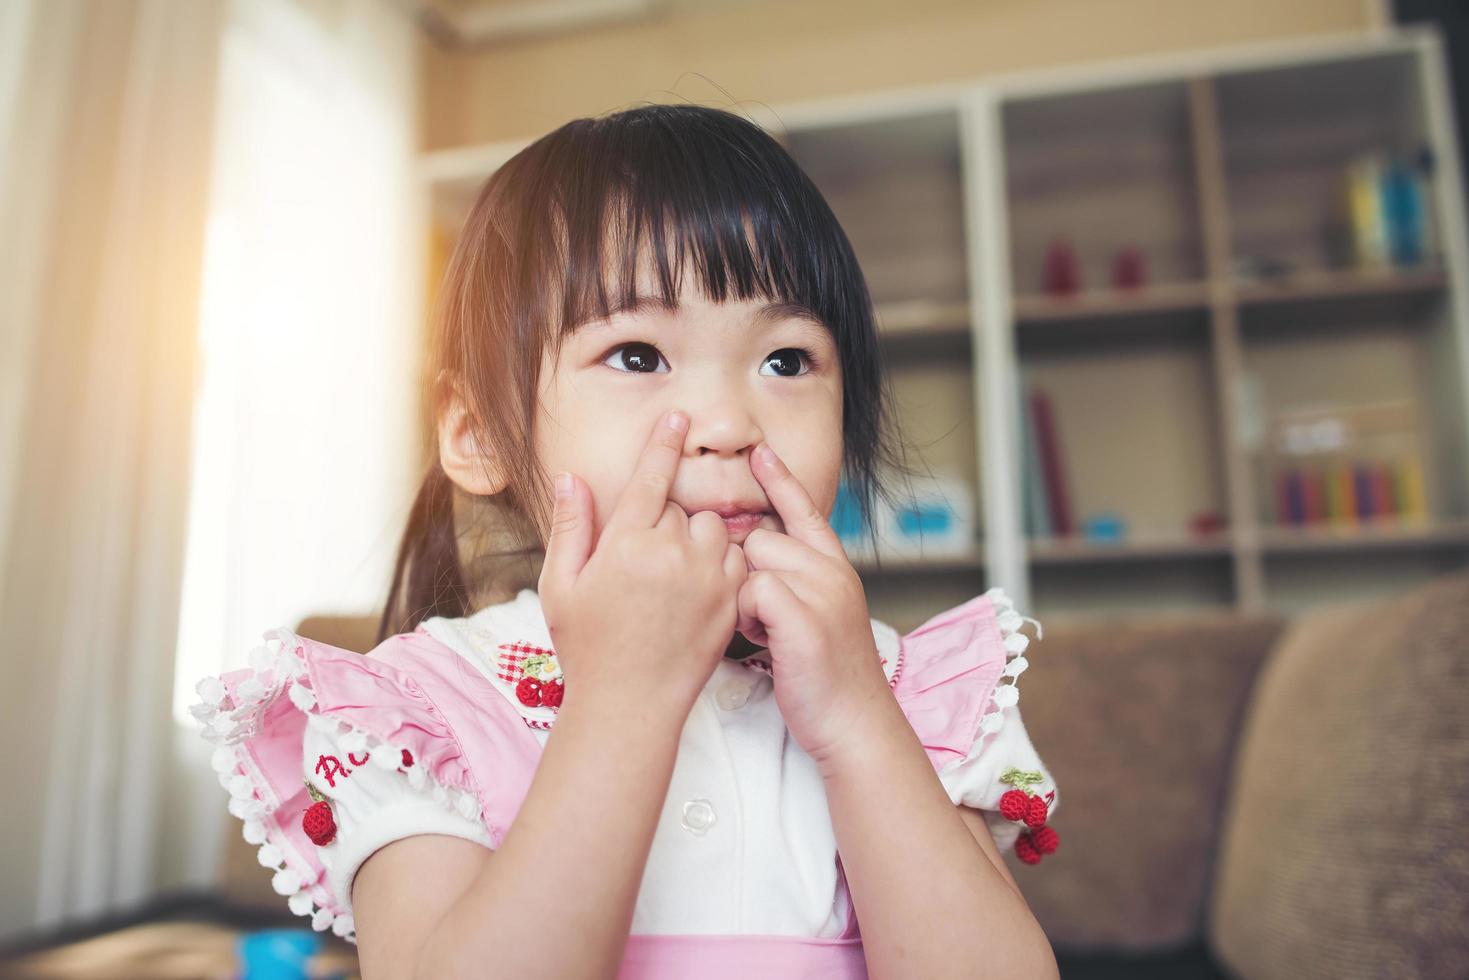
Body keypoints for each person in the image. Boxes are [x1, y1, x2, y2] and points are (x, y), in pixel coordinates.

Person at [190, 103, 1062, 978]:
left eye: (786, 360)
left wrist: (854, 722)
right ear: (477, 435)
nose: (726, 423)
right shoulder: (423, 711)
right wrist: (621, 701)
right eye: (639, 355)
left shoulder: (905, 695)